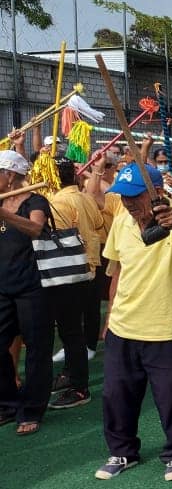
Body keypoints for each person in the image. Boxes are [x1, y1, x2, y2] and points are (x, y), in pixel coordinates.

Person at [96, 163, 172, 481]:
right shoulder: (121, 222)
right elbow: (117, 272)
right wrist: (109, 316)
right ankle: (122, 452)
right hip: (123, 327)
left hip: (166, 329)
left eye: (135, 196)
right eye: (123, 196)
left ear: (156, 192)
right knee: (116, 395)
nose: (128, 203)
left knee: (171, 397)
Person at [45, 157, 105, 410]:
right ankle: (71, 374)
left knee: (70, 330)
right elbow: (99, 223)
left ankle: (78, 384)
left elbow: (55, 238)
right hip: (89, 264)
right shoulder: (84, 197)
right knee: (75, 327)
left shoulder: (57, 202)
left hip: (70, 270)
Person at [0, 149, 51, 436]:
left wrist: (4, 214)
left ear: (9, 175)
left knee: (37, 349)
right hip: (3, 286)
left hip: (33, 286)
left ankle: (31, 409)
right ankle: (7, 402)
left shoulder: (35, 201)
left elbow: (36, 228)